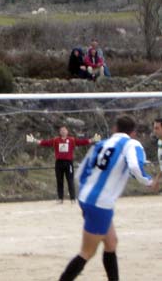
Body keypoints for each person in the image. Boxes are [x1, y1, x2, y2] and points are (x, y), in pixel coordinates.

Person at [59, 115, 159, 281]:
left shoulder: (101, 144)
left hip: (86, 198)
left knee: (111, 243)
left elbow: (82, 171)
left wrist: (88, 192)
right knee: (87, 252)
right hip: (100, 204)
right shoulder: (131, 144)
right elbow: (134, 166)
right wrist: (149, 182)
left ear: (115, 129)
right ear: (133, 132)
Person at [27, 126, 101, 203]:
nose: (63, 132)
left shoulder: (71, 140)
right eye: (61, 130)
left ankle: (72, 198)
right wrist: (34, 140)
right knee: (59, 181)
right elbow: (45, 143)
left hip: (68, 163)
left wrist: (93, 139)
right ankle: (60, 198)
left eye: (64, 130)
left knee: (70, 180)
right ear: (60, 132)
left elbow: (82, 142)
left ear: (67, 132)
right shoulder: (56, 140)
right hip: (59, 163)